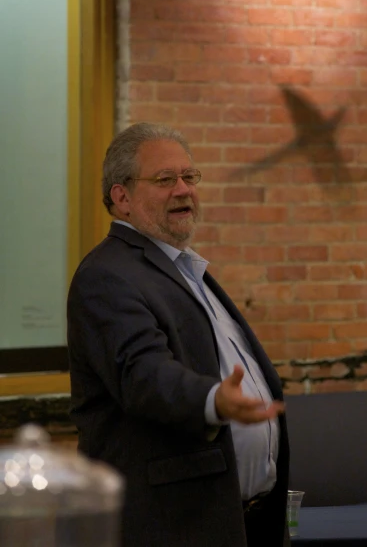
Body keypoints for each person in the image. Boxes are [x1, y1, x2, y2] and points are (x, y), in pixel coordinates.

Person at [67, 122, 290, 547]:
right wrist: (212, 400)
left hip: (244, 522)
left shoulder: (185, 270)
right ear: (122, 197)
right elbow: (145, 374)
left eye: (190, 176)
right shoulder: (107, 275)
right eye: (165, 179)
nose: (184, 189)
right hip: (174, 526)